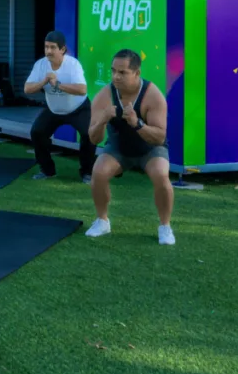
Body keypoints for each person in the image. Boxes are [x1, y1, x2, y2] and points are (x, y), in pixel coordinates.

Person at [86, 49, 175, 245]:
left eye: (122, 72)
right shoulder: (104, 96)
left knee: (161, 174)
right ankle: (102, 221)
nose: (116, 76)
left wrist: (137, 123)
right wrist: (102, 120)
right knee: (98, 172)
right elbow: (93, 139)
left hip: (150, 149)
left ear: (136, 73)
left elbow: (160, 137)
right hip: (119, 148)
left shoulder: (153, 96)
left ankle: (165, 227)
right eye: (113, 71)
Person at [24, 30, 96, 184]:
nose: (48, 51)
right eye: (46, 47)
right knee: (37, 132)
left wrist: (57, 84)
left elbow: (82, 89)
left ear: (62, 50)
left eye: (52, 47)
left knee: (89, 135)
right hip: (54, 109)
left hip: (78, 108)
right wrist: (44, 81)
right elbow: (27, 89)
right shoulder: (41, 65)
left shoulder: (72, 64)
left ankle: (87, 172)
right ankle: (47, 170)